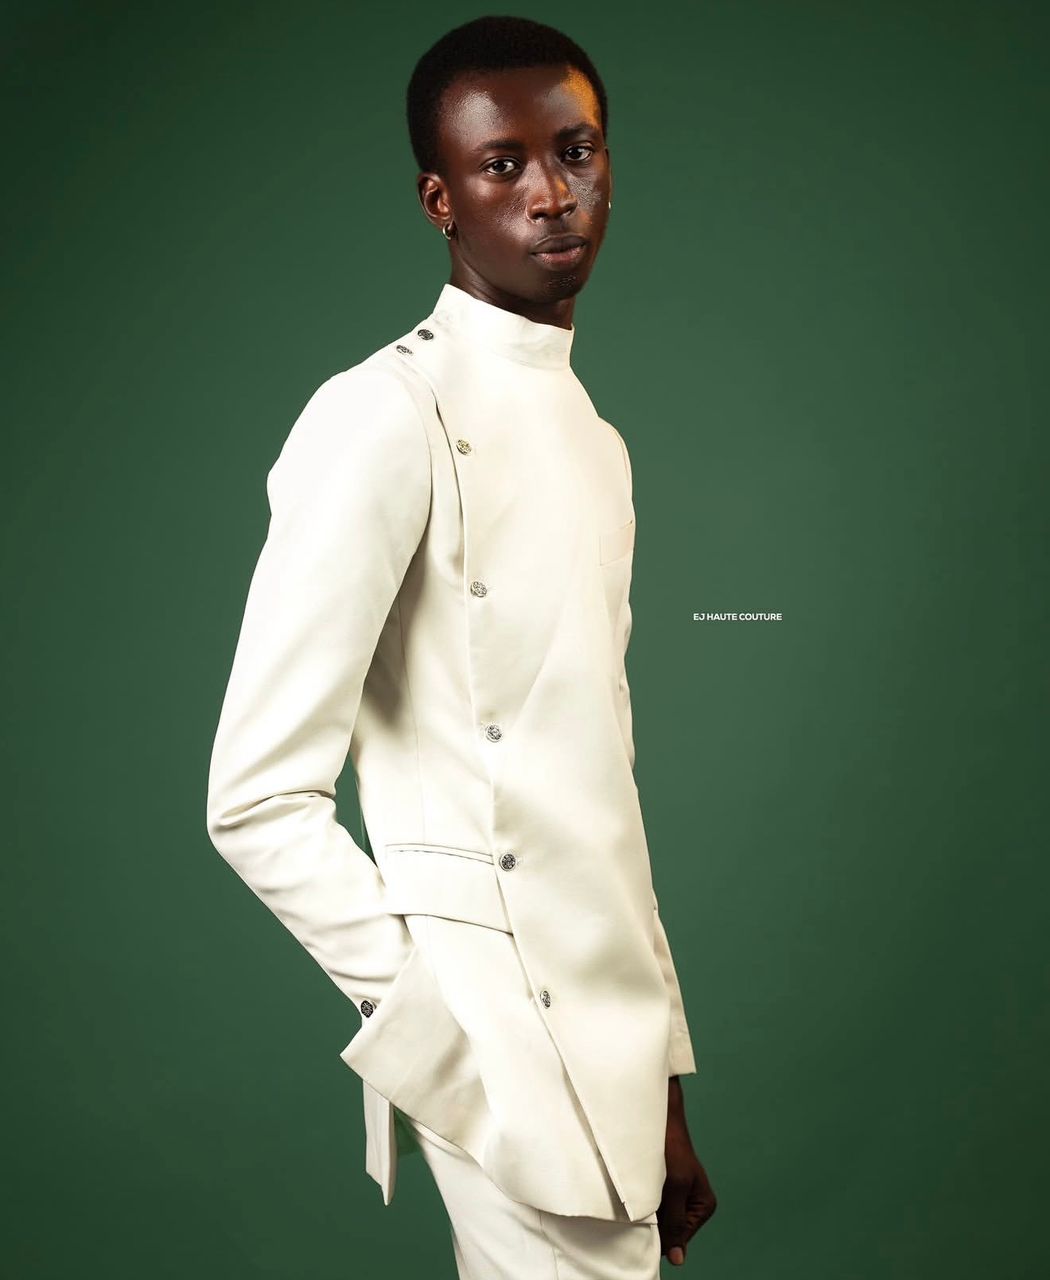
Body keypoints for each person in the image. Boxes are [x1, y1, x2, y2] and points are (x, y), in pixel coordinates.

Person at [206, 14, 717, 1277]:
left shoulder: (598, 444)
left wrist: (661, 1082)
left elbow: (600, 793)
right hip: (493, 1039)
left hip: (608, 1045)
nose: (551, 192)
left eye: (575, 150)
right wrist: (429, 1029)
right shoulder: (380, 415)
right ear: (442, 199)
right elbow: (255, 797)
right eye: (503, 164)